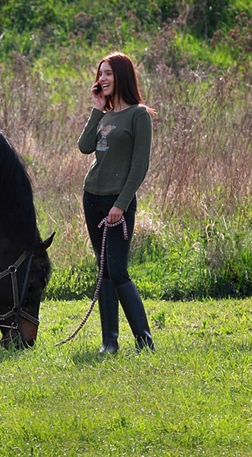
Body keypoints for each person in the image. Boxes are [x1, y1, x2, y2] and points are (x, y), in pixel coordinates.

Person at [77, 52, 155, 353]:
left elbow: (139, 166)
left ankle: (144, 341)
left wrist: (120, 205)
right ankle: (109, 343)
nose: (102, 78)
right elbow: (84, 147)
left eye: (108, 73)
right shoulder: (106, 115)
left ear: (121, 75)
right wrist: (97, 109)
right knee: (103, 271)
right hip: (92, 196)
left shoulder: (139, 115)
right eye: (100, 73)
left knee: (118, 270)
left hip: (117, 201)